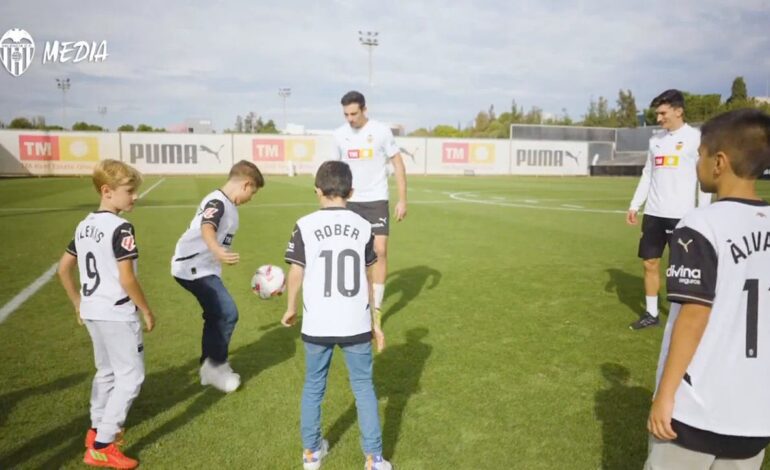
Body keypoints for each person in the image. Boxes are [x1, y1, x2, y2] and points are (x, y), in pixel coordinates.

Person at [646, 108, 770, 469]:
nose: (695, 162)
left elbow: (694, 316)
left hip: (695, 410)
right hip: (755, 413)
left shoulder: (700, 224)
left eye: (699, 154)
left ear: (719, 162)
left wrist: (665, 396)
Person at [282, 160, 391, 470]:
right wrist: (375, 323)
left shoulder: (304, 224)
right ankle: (373, 459)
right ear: (351, 192)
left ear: (318, 191)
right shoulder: (364, 226)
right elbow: (369, 278)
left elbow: (295, 273)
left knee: (314, 385)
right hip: (355, 321)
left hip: (317, 322)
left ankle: (312, 454)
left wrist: (290, 307)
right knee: (363, 387)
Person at [57, 159, 155, 469]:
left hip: (93, 311)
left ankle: (96, 430)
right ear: (107, 191)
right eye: (129, 190)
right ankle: (102, 445)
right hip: (116, 312)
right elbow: (127, 279)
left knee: (107, 372)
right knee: (131, 376)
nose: (135, 196)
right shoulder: (121, 227)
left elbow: (63, 269)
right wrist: (146, 309)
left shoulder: (84, 224)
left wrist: (77, 303)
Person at [171, 160, 264, 393]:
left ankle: (210, 367)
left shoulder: (229, 205)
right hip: (192, 268)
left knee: (217, 314)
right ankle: (214, 368)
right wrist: (217, 250)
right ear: (246, 184)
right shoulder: (217, 201)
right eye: (252, 192)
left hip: (204, 268)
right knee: (226, 313)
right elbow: (207, 227)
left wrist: (217, 255)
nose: (251, 198)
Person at [627, 89, 711, 330]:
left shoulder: (695, 138)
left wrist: (703, 211)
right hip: (654, 214)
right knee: (649, 262)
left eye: (663, 113)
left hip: (682, 216)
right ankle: (652, 313)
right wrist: (635, 205)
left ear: (678, 110)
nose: (659, 118)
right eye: (657, 113)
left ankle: (682, 316)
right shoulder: (656, 141)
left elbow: (703, 178)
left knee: (682, 268)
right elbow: (647, 174)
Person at [333, 91, 407, 327]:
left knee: (380, 250)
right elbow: (333, 170)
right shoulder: (339, 135)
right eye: (346, 114)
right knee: (356, 256)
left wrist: (402, 199)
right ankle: (360, 302)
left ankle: (376, 308)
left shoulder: (381, 131)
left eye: (354, 113)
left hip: (377, 200)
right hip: (350, 201)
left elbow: (397, 162)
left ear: (365, 110)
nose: (350, 119)